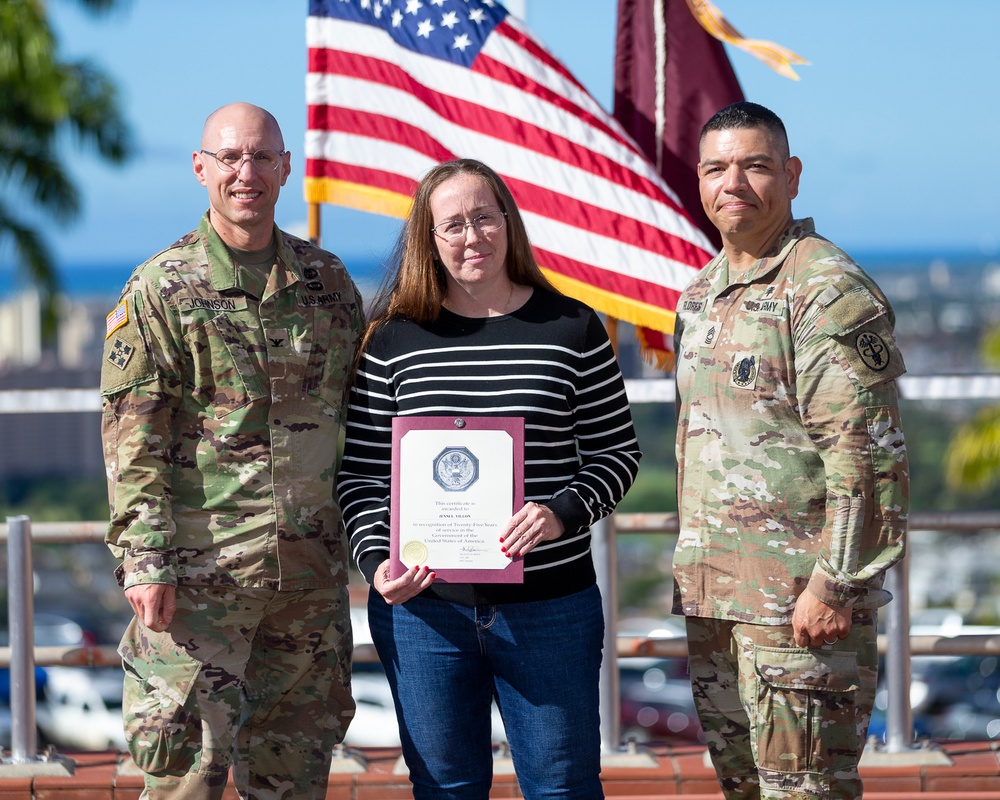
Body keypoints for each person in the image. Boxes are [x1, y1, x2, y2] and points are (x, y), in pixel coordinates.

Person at [336, 158, 641, 799]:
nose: (471, 237)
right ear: (428, 238)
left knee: (564, 789)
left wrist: (562, 511)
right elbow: (360, 475)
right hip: (424, 616)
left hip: (552, 609)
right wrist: (374, 563)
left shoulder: (574, 328)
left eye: (483, 217)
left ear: (508, 222)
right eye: (452, 225)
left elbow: (618, 454)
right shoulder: (390, 341)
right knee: (445, 790)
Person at [99, 102, 363, 799]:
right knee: (188, 777)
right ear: (200, 169)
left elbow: (359, 420)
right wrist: (146, 561)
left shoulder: (327, 284)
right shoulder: (160, 288)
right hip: (199, 586)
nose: (246, 173)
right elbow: (134, 440)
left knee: (297, 775)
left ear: (285, 168)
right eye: (230, 158)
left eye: (261, 158)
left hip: (308, 582)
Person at [671, 101, 909, 800]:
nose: (734, 182)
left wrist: (836, 582)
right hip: (717, 599)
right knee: (747, 790)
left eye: (756, 165)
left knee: (805, 792)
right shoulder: (702, 293)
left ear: (792, 175)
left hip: (798, 608)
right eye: (717, 168)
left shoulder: (824, 289)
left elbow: (867, 454)